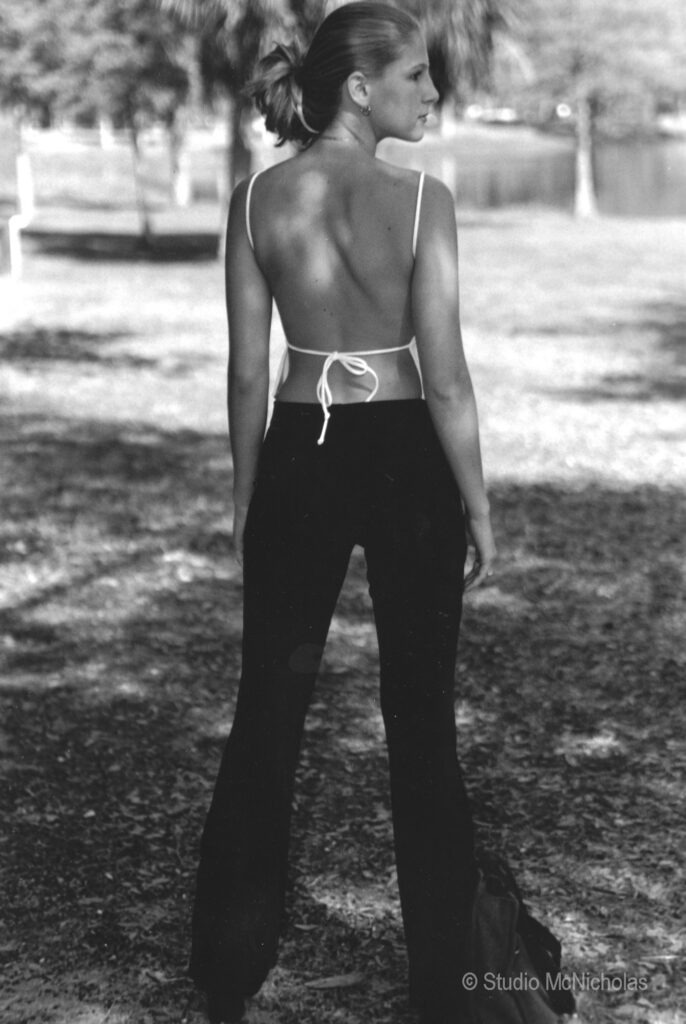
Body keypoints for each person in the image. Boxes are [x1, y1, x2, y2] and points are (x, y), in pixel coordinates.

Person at [189, 4, 497, 1022]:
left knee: (267, 712)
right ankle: (446, 993)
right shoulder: (421, 202)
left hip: (298, 455)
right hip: (407, 454)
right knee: (421, 725)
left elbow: (245, 374)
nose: (431, 93)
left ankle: (225, 976)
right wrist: (477, 500)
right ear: (359, 88)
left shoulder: (255, 199)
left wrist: (246, 492)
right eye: (414, 76)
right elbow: (445, 378)